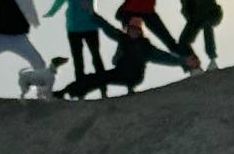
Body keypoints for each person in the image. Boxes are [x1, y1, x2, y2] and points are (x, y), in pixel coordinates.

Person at [55, 10, 199, 98]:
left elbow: (164, 57)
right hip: (120, 72)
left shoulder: (145, 46)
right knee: (96, 78)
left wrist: (184, 61)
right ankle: (66, 92)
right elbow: (108, 28)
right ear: (128, 30)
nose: (133, 32)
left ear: (140, 32)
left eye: (136, 30)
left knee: (134, 58)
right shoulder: (123, 38)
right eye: (131, 30)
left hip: (134, 76)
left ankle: (130, 87)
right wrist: (93, 14)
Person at [45, 0, 121, 88]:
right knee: (78, 59)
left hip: (90, 26)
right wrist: (51, 12)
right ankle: (80, 88)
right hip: (73, 28)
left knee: (96, 56)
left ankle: (103, 87)